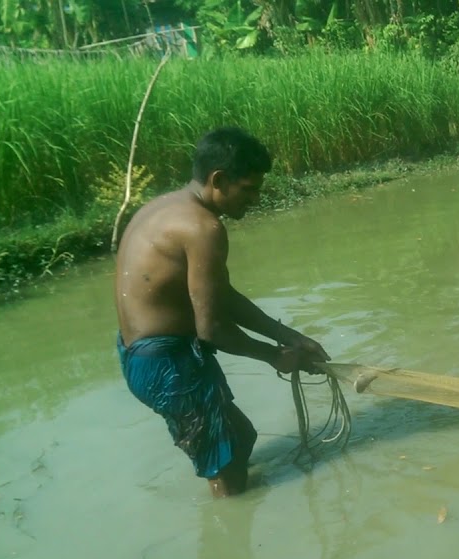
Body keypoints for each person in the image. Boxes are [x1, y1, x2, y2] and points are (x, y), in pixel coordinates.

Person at [114, 127, 330, 498]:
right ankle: (229, 532)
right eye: (249, 189)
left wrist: (289, 337)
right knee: (225, 463)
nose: (256, 198)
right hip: (167, 364)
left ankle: (233, 502)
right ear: (219, 179)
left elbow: (222, 295)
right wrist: (276, 357)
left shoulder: (163, 208)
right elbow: (212, 329)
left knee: (239, 437)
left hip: (143, 355)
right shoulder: (204, 228)